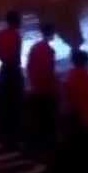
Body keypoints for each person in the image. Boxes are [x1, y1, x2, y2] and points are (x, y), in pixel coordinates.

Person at [26, 21, 59, 155]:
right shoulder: (49, 51)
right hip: (46, 90)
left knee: (38, 120)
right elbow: (49, 72)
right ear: (51, 34)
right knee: (48, 121)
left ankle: (38, 147)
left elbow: (29, 67)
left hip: (36, 88)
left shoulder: (34, 48)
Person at [0, 10, 25, 145]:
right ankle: (14, 130)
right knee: (15, 99)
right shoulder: (16, 36)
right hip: (13, 69)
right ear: (16, 21)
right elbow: (16, 55)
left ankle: (3, 127)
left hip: (4, 68)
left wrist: (4, 60)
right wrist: (13, 62)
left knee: (4, 99)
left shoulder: (1, 34)